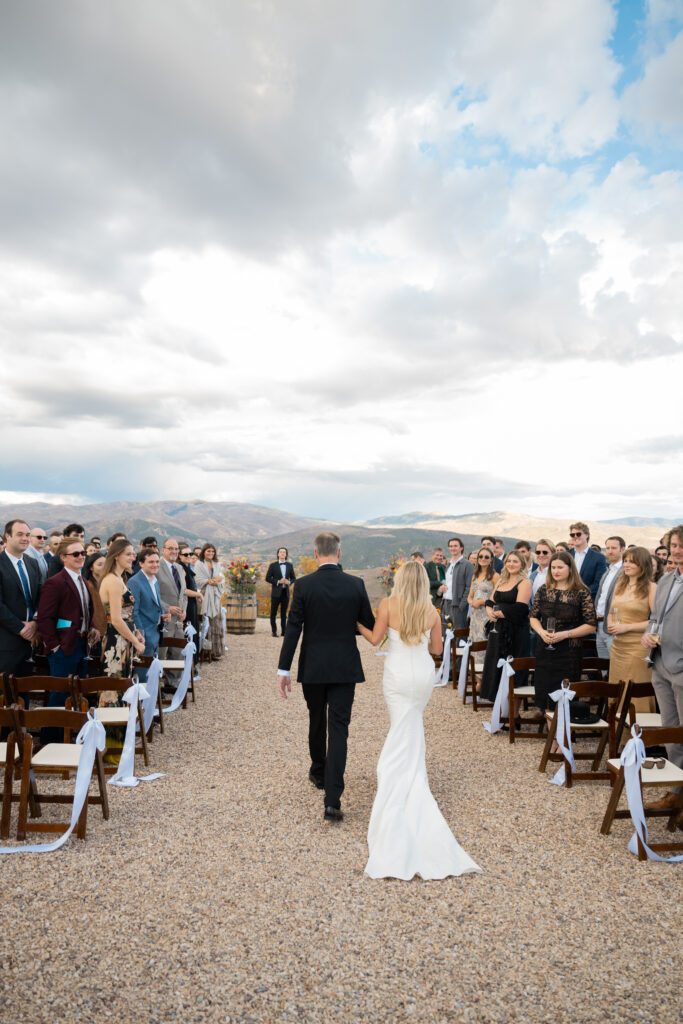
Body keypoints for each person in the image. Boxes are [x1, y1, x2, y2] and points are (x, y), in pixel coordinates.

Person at [357, 561, 480, 880]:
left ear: (399, 580)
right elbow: (438, 649)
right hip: (422, 673)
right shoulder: (431, 611)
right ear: (424, 581)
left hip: (397, 673)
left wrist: (357, 623)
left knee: (402, 724)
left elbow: (374, 639)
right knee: (410, 725)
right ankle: (409, 771)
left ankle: (396, 774)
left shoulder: (387, 604)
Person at [276, 532, 374, 822]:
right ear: (339, 554)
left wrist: (284, 669)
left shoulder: (304, 585)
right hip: (345, 666)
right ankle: (332, 799)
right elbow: (366, 623)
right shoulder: (355, 584)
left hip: (314, 667)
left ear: (316, 554)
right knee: (339, 728)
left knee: (316, 719)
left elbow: (293, 628)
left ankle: (318, 772)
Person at [641, 524, 683, 814]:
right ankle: (675, 793)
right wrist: (648, 634)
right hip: (659, 664)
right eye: (674, 546)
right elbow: (656, 618)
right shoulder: (667, 579)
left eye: (681, 546)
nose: (677, 551)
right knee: (670, 732)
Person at [529, 550, 596, 714]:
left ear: (570, 569)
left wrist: (564, 634)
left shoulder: (581, 592)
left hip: (569, 651)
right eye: (553, 567)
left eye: (560, 567)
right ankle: (550, 728)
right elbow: (533, 617)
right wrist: (541, 632)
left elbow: (591, 625)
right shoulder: (544, 590)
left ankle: (559, 734)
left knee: (564, 692)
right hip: (544, 647)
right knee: (543, 688)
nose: (556, 571)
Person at [36, 536, 98, 682]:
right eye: (75, 554)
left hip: (83, 646)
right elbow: (45, 618)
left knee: (78, 694)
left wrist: (92, 626)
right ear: (63, 557)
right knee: (60, 696)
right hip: (64, 647)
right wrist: (55, 646)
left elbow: (82, 611)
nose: (81, 557)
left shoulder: (82, 580)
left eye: (83, 553)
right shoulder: (55, 583)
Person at [607, 546, 657, 711]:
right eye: (625, 561)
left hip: (638, 648)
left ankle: (638, 733)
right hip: (617, 647)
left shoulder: (651, 588)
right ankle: (617, 734)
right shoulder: (620, 585)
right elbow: (611, 612)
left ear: (642, 565)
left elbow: (656, 621)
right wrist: (610, 624)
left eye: (631, 562)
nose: (626, 565)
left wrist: (626, 628)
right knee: (617, 688)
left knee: (634, 691)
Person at [0, 519, 42, 710]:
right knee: (4, 696)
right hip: (5, 642)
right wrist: (20, 628)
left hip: (29, 641)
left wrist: (34, 621)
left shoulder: (32, 564)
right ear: (7, 536)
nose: (25, 538)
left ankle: (19, 737)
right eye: (20, 534)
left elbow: (40, 597)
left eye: (27, 534)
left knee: (22, 695)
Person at [479, 551, 532, 702]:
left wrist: (499, 613)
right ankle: (499, 708)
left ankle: (512, 713)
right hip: (498, 630)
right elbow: (490, 602)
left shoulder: (525, 582)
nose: (511, 564)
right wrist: (490, 611)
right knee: (496, 665)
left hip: (515, 632)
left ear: (522, 564)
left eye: (515, 561)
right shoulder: (502, 581)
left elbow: (521, 608)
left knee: (512, 669)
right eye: (509, 561)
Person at [98, 540, 145, 707]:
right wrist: (135, 642)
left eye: (133, 553)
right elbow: (116, 619)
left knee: (125, 685)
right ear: (116, 556)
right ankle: (113, 731)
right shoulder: (113, 581)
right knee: (115, 689)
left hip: (124, 639)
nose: (132, 557)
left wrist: (136, 633)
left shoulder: (120, 578)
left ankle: (125, 728)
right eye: (128, 554)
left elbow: (126, 615)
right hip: (116, 642)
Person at [128, 548, 166, 680]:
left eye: (157, 561)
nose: (155, 565)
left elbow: (155, 604)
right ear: (141, 563)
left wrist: (162, 614)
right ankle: (141, 701)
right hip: (144, 636)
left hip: (156, 633)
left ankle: (150, 699)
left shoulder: (155, 580)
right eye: (151, 562)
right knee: (142, 675)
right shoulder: (134, 582)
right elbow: (134, 612)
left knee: (152, 674)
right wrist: (140, 634)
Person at [157, 538, 188, 689]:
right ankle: (158, 685)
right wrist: (167, 608)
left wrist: (184, 609)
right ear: (163, 550)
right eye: (170, 548)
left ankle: (173, 682)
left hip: (179, 619)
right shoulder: (157, 567)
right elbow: (154, 594)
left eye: (176, 549)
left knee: (177, 652)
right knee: (162, 653)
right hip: (164, 618)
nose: (174, 552)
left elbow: (183, 594)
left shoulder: (180, 568)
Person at [594, 536, 625, 660]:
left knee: (616, 667)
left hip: (613, 627)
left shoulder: (625, 572)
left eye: (614, 548)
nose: (610, 551)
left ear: (622, 549)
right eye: (607, 548)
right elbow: (601, 597)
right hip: (599, 625)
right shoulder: (607, 571)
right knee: (604, 669)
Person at [194, 542, 225, 659]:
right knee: (205, 624)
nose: (211, 553)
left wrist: (215, 580)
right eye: (208, 551)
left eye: (212, 551)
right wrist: (208, 581)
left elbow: (222, 577)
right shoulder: (199, 564)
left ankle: (215, 652)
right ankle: (205, 652)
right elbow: (197, 579)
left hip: (215, 596)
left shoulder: (216, 564)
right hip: (204, 595)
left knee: (216, 622)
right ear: (204, 552)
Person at [439, 537, 474, 629]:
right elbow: (449, 583)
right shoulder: (449, 565)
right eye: (450, 546)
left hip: (457, 605)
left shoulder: (467, 565)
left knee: (459, 634)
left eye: (455, 546)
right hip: (445, 602)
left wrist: (461, 606)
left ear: (461, 548)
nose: (452, 548)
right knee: (446, 633)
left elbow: (469, 587)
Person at [467, 548, 499, 644]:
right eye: (480, 556)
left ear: (491, 559)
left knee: (485, 644)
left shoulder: (495, 576)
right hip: (475, 616)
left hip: (487, 615)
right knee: (474, 645)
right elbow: (469, 596)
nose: (483, 559)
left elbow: (499, 597)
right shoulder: (475, 575)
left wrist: (482, 602)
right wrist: (472, 603)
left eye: (486, 557)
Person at [568, 521, 606, 601]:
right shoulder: (566, 555)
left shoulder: (599, 558)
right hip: (565, 600)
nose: (575, 536)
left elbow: (598, 583)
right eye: (572, 535)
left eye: (578, 534)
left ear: (587, 535)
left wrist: (579, 594)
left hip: (587, 602)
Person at [266, 547, 296, 637]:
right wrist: (278, 581)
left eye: (284, 552)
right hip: (276, 592)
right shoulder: (273, 565)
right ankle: (274, 631)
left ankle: (284, 632)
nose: (282, 553)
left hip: (285, 593)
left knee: (284, 614)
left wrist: (289, 582)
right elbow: (267, 578)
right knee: (273, 613)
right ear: (278, 554)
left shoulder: (290, 565)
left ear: (286, 554)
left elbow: (294, 578)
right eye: (281, 552)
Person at [178, 544, 202, 640]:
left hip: (192, 603)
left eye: (190, 554)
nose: (189, 556)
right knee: (189, 633)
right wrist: (198, 594)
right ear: (179, 556)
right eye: (185, 554)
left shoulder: (186, 567)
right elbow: (183, 589)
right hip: (186, 605)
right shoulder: (181, 568)